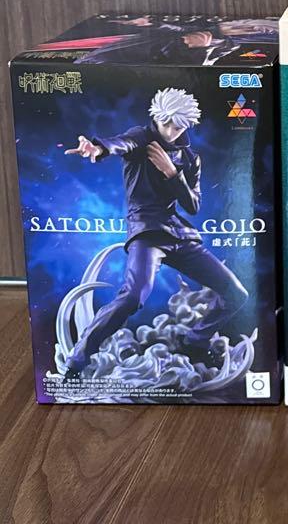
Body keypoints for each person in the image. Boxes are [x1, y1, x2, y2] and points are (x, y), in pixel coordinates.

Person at [63, 88, 248, 378]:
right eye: (166, 123)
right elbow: (120, 143)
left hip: (179, 235)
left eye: (179, 126)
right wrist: (98, 149)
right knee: (132, 297)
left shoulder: (190, 158)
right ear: (157, 118)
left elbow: (193, 205)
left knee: (236, 293)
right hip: (147, 233)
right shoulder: (141, 138)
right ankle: (77, 360)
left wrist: (172, 173)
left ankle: (195, 341)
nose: (171, 131)